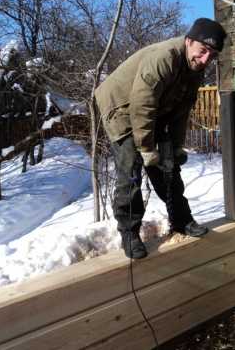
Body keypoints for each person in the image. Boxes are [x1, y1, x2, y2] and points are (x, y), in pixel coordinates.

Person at [95, 18, 227, 259]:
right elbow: (142, 103)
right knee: (132, 167)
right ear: (189, 42)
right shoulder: (165, 57)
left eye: (213, 55)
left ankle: (181, 219)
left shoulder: (195, 70)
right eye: (203, 50)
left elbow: (181, 111)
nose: (207, 59)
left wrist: (175, 147)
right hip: (122, 107)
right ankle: (129, 231)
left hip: (155, 108)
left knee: (168, 166)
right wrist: (146, 149)